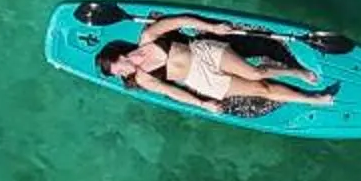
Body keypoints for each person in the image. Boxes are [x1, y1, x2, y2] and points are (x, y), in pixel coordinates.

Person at [95, 11, 338, 113]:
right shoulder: (143, 79)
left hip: (204, 52)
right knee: (261, 90)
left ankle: (297, 72)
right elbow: (173, 92)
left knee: (255, 73)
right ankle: (312, 99)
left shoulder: (148, 38)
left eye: (119, 69)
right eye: (118, 74)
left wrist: (212, 27)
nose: (122, 74)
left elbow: (179, 20)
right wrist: (203, 104)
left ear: (121, 56)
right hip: (202, 81)